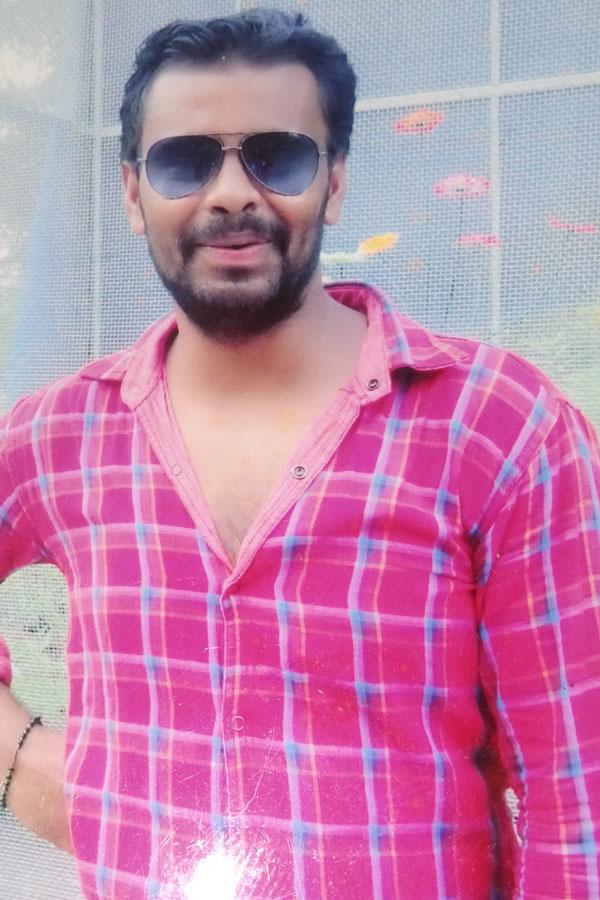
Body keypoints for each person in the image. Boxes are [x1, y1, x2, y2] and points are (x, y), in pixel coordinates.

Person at [0, 8, 599, 899]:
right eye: (184, 162)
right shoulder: (58, 437)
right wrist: (16, 758)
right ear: (132, 192)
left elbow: (578, 797)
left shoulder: (498, 428)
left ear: (336, 180)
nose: (230, 194)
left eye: (276, 157)